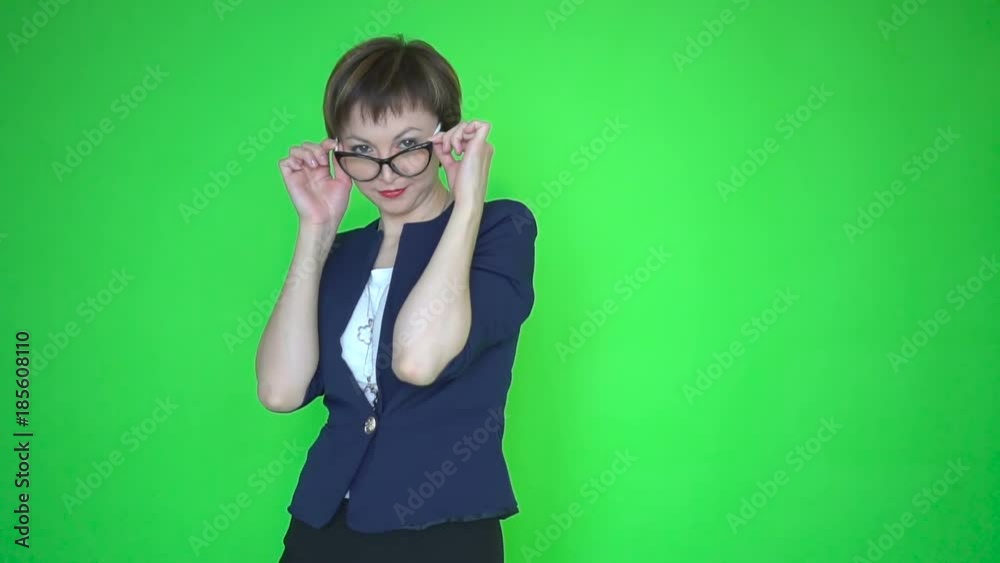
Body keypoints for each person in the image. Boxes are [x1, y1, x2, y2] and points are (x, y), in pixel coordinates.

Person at [254, 35, 538, 563]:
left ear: (445, 136)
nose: (385, 172)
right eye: (361, 151)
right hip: (321, 530)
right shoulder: (340, 252)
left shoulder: (501, 229)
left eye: (407, 146)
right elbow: (280, 389)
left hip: (441, 534)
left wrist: (468, 202)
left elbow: (418, 358)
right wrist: (315, 230)